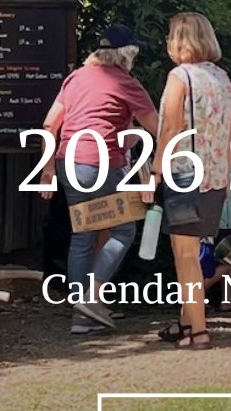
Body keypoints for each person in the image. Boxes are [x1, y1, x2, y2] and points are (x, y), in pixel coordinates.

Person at [42, 23, 156, 335]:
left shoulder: (75, 78)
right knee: (123, 231)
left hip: (69, 163)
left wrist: (47, 169)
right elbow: (156, 126)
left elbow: (50, 125)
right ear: (127, 54)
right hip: (103, 163)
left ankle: (81, 316)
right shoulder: (125, 82)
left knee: (83, 234)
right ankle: (91, 297)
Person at [153, 13, 231, 350]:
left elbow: (171, 128)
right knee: (193, 249)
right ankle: (187, 321)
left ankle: (199, 331)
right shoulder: (222, 78)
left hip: (184, 174)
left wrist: (156, 170)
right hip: (216, 177)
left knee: (185, 255)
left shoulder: (180, 77)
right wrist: (227, 172)